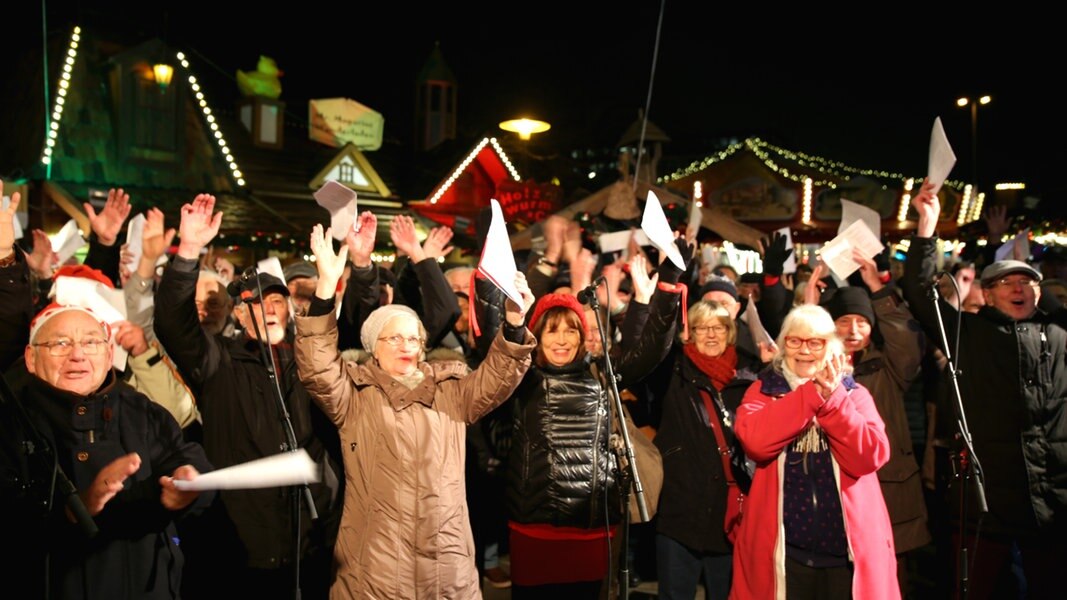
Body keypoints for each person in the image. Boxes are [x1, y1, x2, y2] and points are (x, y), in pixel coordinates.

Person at [294, 223, 536, 598]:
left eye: (414, 338)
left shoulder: (451, 391)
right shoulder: (354, 394)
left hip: (445, 563)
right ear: (374, 347)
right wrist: (325, 290)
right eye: (394, 337)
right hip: (375, 563)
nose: (406, 346)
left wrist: (516, 323)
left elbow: (498, 378)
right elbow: (317, 366)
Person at [153, 195, 342, 599]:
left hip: (310, 541)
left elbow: (336, 333)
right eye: (257, 303)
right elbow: (172, 324)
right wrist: (188, 252)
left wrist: (329, 284)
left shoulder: (307, 365)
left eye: (277, 302)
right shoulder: (218, 363)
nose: (269, 309)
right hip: (243, 549)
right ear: (239, 316)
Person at [901, 179, 1067, 598]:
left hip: (1052, 498)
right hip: (987, 498)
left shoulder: (1059, 332)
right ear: (987, 295)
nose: (1019, 289)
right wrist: (927, 229)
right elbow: (921, 296)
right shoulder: (967, 334)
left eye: (1027, 283)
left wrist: (1046, 294)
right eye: (1007, 283)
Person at [504, 239, 690, 598]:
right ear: (537, 337)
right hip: (534, 529)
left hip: (592, 527)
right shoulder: (519, 379)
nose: (561, 340)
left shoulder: (599, 373)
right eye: (552, 330)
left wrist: (667, 286)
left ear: (582, 335)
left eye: (571, 330)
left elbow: (649, 351)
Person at [732, 304, 897, 600]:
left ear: (831, 347)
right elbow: (756, 443)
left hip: (846, 555)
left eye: (815, 342)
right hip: (786, 555)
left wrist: (832, 400)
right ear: (783, 346)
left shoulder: (854, 394)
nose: (804, 350)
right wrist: (810, 396)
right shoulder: (763, 391)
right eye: (794, 341)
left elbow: (869, 456)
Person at [807, 254, 930, 595]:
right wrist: (809, 309)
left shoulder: (888, 367)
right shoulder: (816, 364)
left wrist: (878, 288)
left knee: (886, 576)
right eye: (844, 320)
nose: (854, 329)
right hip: (830, 482)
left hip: (888, 481)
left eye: (863, 322)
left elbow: (907, 339)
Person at [641, 300, 770, 599]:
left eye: (719, 328)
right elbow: (648, 346)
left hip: (732, 514)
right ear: (689, 333)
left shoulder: (750, 374)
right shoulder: (673, 371)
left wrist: (771, 367)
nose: (711, 335)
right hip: (680, 512)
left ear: (730, 332)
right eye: (702, 328)